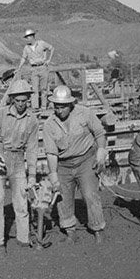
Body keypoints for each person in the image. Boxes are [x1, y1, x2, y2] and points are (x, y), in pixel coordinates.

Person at [41, 85, 107, 245]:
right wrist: (53, 175)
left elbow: (99, 133)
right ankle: (70, 231)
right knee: (63, 199)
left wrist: (101, 151)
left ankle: (97, 229)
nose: (59, 110)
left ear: (70, 104)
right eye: (56, 107)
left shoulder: (85, 113)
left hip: (85, 159)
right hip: (63, 164)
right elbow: (51, 153)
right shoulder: (49, 125)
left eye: (62, 107)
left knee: (90, 194)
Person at [0, 78, 40, 253]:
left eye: (24, 101)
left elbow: (32, 149)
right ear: (12, 99)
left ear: (28, 99)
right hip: (0, 160)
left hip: (18, 162)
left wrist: (32, 176)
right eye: (18, 100)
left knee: (22, 203)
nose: (21, 104)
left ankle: (23, 239)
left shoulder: (32, 121)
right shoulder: (1, 114)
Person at [14, 28, 54, 108]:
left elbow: (52, 48)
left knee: (44, 89)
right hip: (33, 69)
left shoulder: (41, 43)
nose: (27, 39)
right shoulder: (26, 48)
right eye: (26, 37)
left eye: (28, 37)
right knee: (34, 90)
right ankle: (35, 107)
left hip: (43, 67)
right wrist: (19, 68)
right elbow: (23, 58)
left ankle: (43, 107)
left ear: (32, 36)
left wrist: (49, 60)